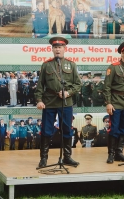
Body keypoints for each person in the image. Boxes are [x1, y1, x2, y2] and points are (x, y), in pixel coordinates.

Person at [34, 36, 81, 168]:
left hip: (66, 103)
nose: (57, 49)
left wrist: (68, 93)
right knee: (46, 131)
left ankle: (67, 157)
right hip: (49, 102)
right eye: (55, 47)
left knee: (67, 129)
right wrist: (39, 100)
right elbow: (39, 86)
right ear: (52, 49)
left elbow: (78, 84)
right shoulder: (46, 65)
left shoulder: (71, 65)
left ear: (64, 48)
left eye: (60, 47)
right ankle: (43, 159)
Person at [103, 41, 124, 164]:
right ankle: (111, 154)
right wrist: (108, 103)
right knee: (114, 129)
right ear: (122, 52)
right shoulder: (113, 67)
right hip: (116, 102)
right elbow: (106, 87)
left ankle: (119, 152)